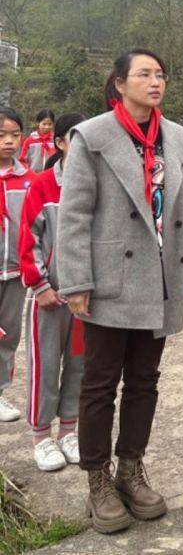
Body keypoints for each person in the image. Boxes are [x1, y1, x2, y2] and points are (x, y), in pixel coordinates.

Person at [57, 49, 183, 535]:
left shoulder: (180, 140)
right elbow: (74, 213)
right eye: (144, 74)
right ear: (120, 83)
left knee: (145, 380)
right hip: (109, 279)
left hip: (161, 278)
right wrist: (76, 280)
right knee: (99, 382)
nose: (155, 81)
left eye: (161, 73)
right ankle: (97, 479)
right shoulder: (94, 136)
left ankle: (130, 468)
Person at [19, 112, 86, 472]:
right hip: (49, 297)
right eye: (77, 140)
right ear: (59, 143)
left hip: (83, 298)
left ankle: (70, 430)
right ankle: (42, 436)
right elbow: (27, 240)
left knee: (79, 364)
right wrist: (40, 284)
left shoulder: (93, 185)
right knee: (45, 366)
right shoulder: (43, 184)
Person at [0, 107, 33, 423]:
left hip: (12, 271)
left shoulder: (28, 180)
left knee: (7, 333)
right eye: (1, 135)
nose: (9, 142)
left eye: (14, 135)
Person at [20, 109, 57, 173]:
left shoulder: (55, 140)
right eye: (44, 124)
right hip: (33, 175)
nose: (47, 127)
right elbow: (22, 160)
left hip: (51, 175)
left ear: (53, 124)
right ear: (38, 123)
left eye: (50, 124)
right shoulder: (30, 141)